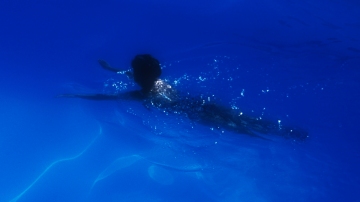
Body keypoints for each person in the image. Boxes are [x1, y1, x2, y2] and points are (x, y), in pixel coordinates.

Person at [60, 54, 308, 140]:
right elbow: (126, 72)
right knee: (241, 118)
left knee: (237, 128)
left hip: (194, 114)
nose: (131, 73)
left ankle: (281, 136)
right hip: (200, 102)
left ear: (138, 76)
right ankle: (284, 131)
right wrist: (109, 68)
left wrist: (76, 95)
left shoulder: (140, 93)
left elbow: (106, 98)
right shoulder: (157, 80)